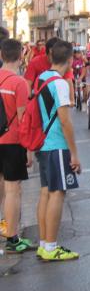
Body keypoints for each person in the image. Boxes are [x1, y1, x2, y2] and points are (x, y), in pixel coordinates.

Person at [35, 40, 81, 261]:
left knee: (45, 192)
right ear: (70, 60)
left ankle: (44, 244)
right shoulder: (60, 83)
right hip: (56, 144)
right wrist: (74, 152)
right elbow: (65, 121)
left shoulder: (41, 78)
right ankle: (52, 247)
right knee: (57, 193)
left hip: (43, 144)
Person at [0, 39, 34, 252]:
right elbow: (23, 119)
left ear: (2, 55)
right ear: (21, 56)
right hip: (12, 142)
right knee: (13, 189)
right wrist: (29, 149)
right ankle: (12, 239)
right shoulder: (19, 83)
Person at [24, 37, 75, 106]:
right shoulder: (35, 62)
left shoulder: (64, 63)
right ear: (51, 50)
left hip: (57, 100)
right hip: (39, 100)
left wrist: (71, 100)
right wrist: (28, 99)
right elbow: (28, 83)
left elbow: (68, 80)